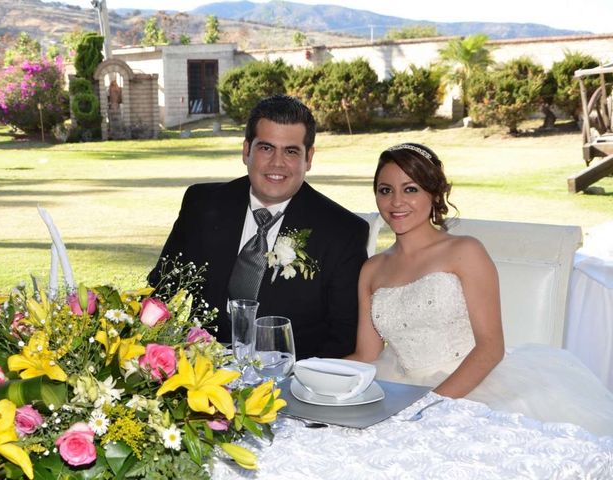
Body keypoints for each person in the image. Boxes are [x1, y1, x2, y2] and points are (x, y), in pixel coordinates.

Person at [348, 142, 613, 436]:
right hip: (399, 386)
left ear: (434, 193)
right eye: (386, 190)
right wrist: (304, 368)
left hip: (473, 385)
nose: (396, 202)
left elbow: (490, 348)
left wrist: (429, 407)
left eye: (410, 189)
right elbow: (366, 355)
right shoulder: (372, 269)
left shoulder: (465, 251)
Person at [149, 94, 369, 360]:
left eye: (291, 151)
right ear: (246, 151)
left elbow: (343, 339)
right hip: (202, 373)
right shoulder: (202, 205)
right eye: (266, 148)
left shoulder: (342, 232)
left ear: (308, 158)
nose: (277, 163)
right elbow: (159, 292)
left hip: (290, 385)